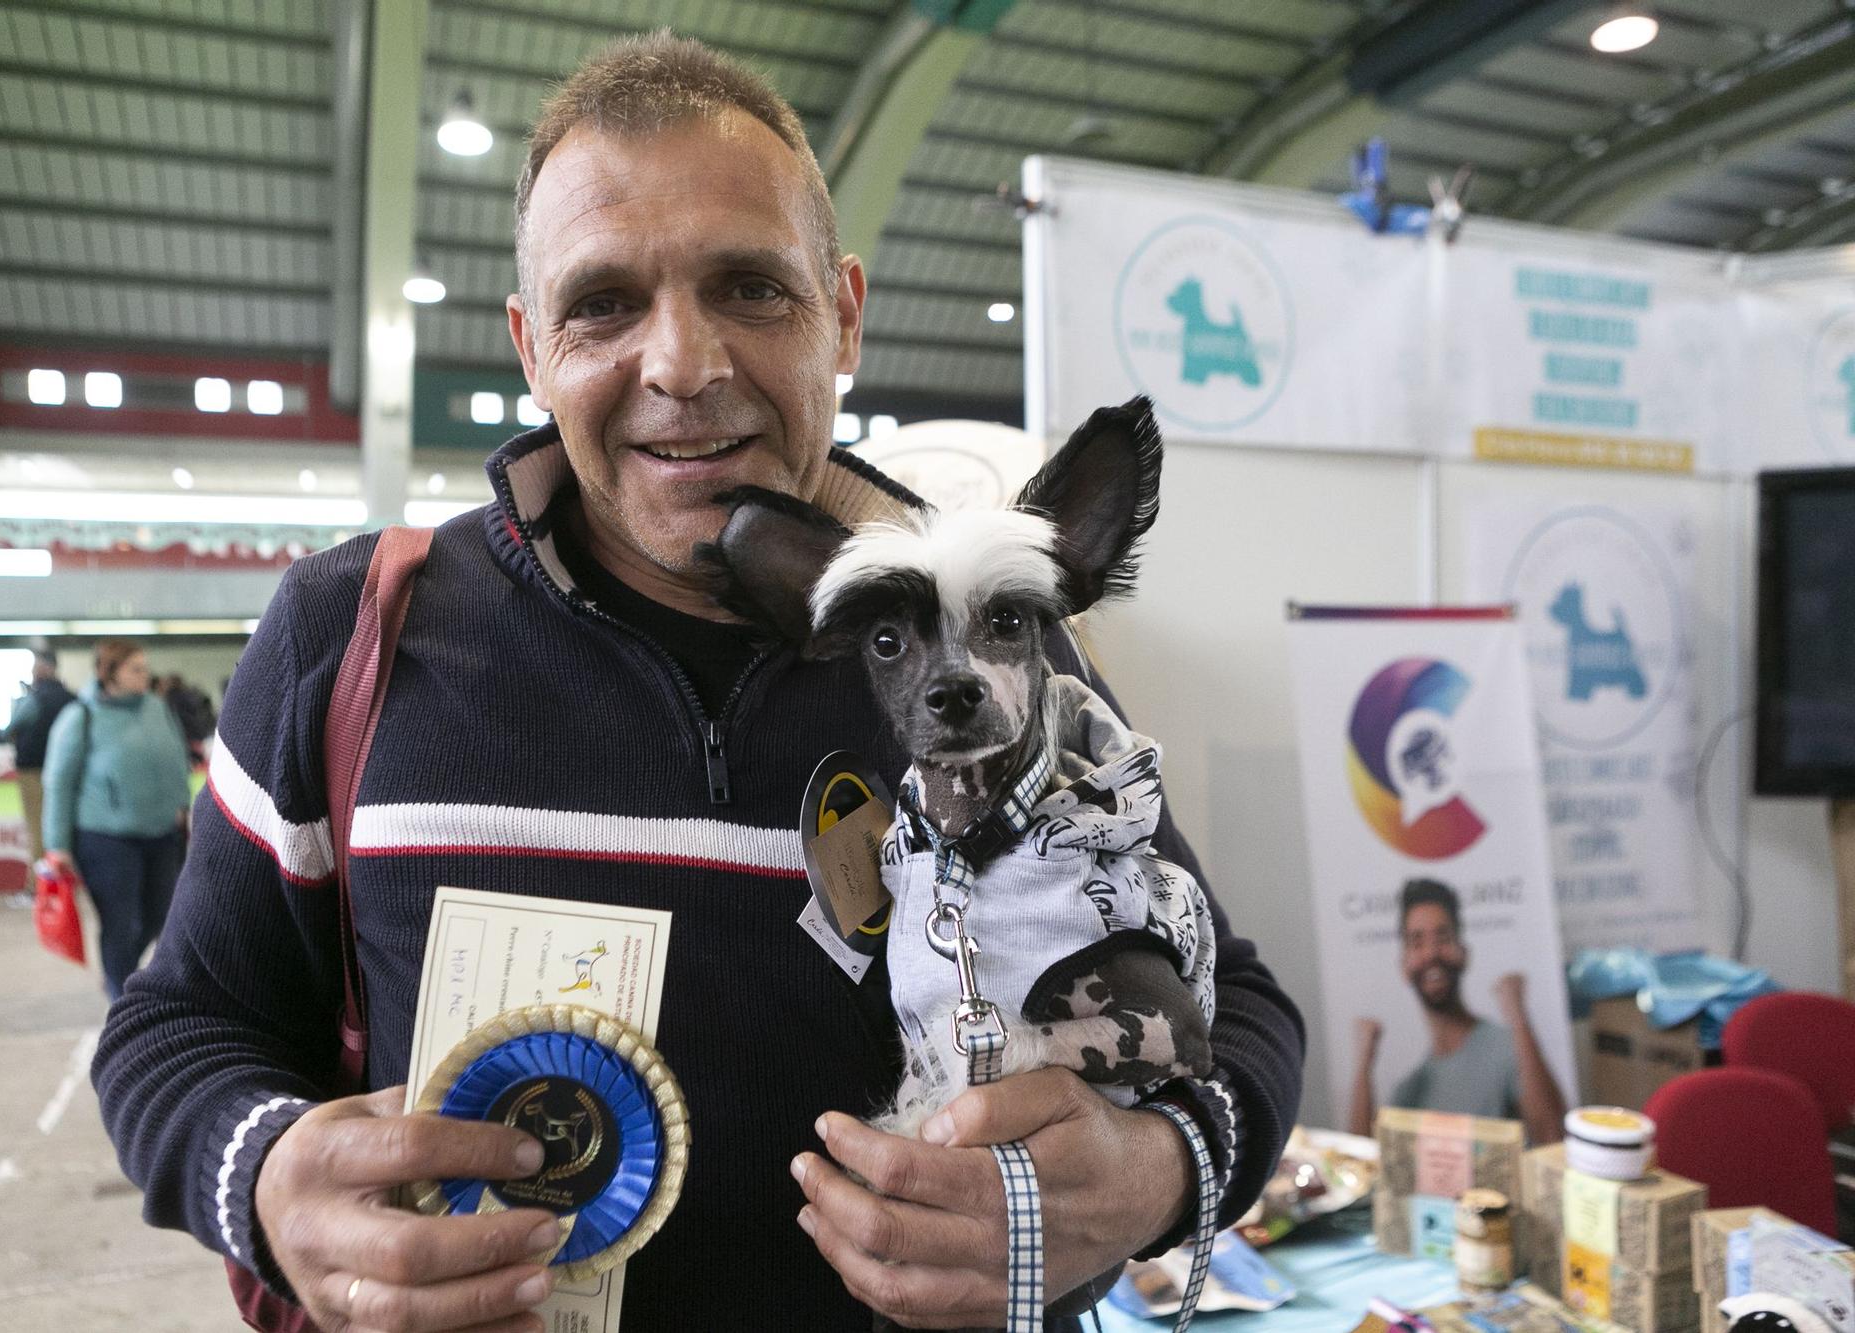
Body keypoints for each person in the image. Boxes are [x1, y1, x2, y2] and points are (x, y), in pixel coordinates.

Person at [90, 33, 1304, 1333]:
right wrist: (268, 1177)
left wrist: (1156, 1174)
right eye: (604, 303)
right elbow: (177, 1028)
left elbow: (1243, 1006)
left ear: (844, 315)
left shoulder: (995, 649)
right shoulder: (353, 636)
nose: (684, 364)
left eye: (752, 290)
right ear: (531, 345)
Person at [1348, 879, 1568, 1143]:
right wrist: (1363, 1065)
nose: (1431, 953)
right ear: (1404, 966)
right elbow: (1363, 1165)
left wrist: (1518, 1017)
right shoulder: (1409, 1091)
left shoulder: (1509, 1047)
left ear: (1464, 953)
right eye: (1417, 942)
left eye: (1443, 938)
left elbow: (1553, 1138)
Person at [42, 639, 191, 1000]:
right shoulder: (81, 716)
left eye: (145, 667)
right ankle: (120, 996)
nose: (145, 675)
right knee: (119, 923)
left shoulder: (156, 708)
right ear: (108, 673)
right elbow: (59, 782)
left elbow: (176, 760)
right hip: (105, 838)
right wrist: (57, 845)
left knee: (161, 916)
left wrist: (183, 806)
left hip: (162, 833)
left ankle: (124, 976)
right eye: (135, 669)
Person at [6, 649, 76, 869]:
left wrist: (20, 699)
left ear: (46, 667)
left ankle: (38, 884)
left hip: (33, 769)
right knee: (64, 825)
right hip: (67, 769)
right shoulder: (73, 699)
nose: (33, 671)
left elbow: (10, 728)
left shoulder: (34, 699)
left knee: (36, 826)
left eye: (35, 666)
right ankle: (65, 879)